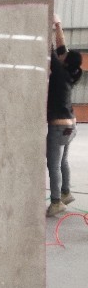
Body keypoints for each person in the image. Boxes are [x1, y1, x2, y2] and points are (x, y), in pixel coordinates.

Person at [46, 18, 83, 217]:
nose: (63, 54)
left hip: (59, 127)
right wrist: (58, 25)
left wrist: (46, 24)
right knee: (63, 162)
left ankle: (56, 202)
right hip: (71, 126)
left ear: (65, 61)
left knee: (53, 165)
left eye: (65, 56)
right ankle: (66, 193)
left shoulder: (59, 72)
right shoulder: (72, 73)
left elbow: (51, 49)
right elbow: (61, 49)